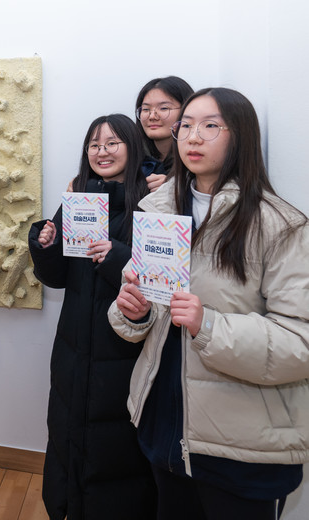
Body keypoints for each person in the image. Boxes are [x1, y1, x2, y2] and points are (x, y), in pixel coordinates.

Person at [109, 88, 309, 519]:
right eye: (186, 126)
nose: (193, 137)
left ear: (241, 136)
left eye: (210, 125)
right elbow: (146, 309)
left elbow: (301, 342)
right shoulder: (158, 211)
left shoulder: (281, 224)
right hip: (165, 428)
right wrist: (133, 311)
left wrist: (209, 326)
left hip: (243, 446)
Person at [28, 114, 155, 519]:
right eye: (94, 145)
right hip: (72, 348)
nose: (102, 152)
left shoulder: (152, 207)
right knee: (67, 436)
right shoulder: (79, 201)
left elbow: (162, 286)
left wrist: (116, 256)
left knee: (115, 452)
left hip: (125, 355)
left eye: (112, 143)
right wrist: (45, 245)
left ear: (133, 147)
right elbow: (56, 278)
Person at [135, 76, 193, 191]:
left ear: (187, 110)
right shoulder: (132, 156)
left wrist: (174, 186)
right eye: (146, 109)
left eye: (163, 108)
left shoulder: (197, 156)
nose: (152, 116)